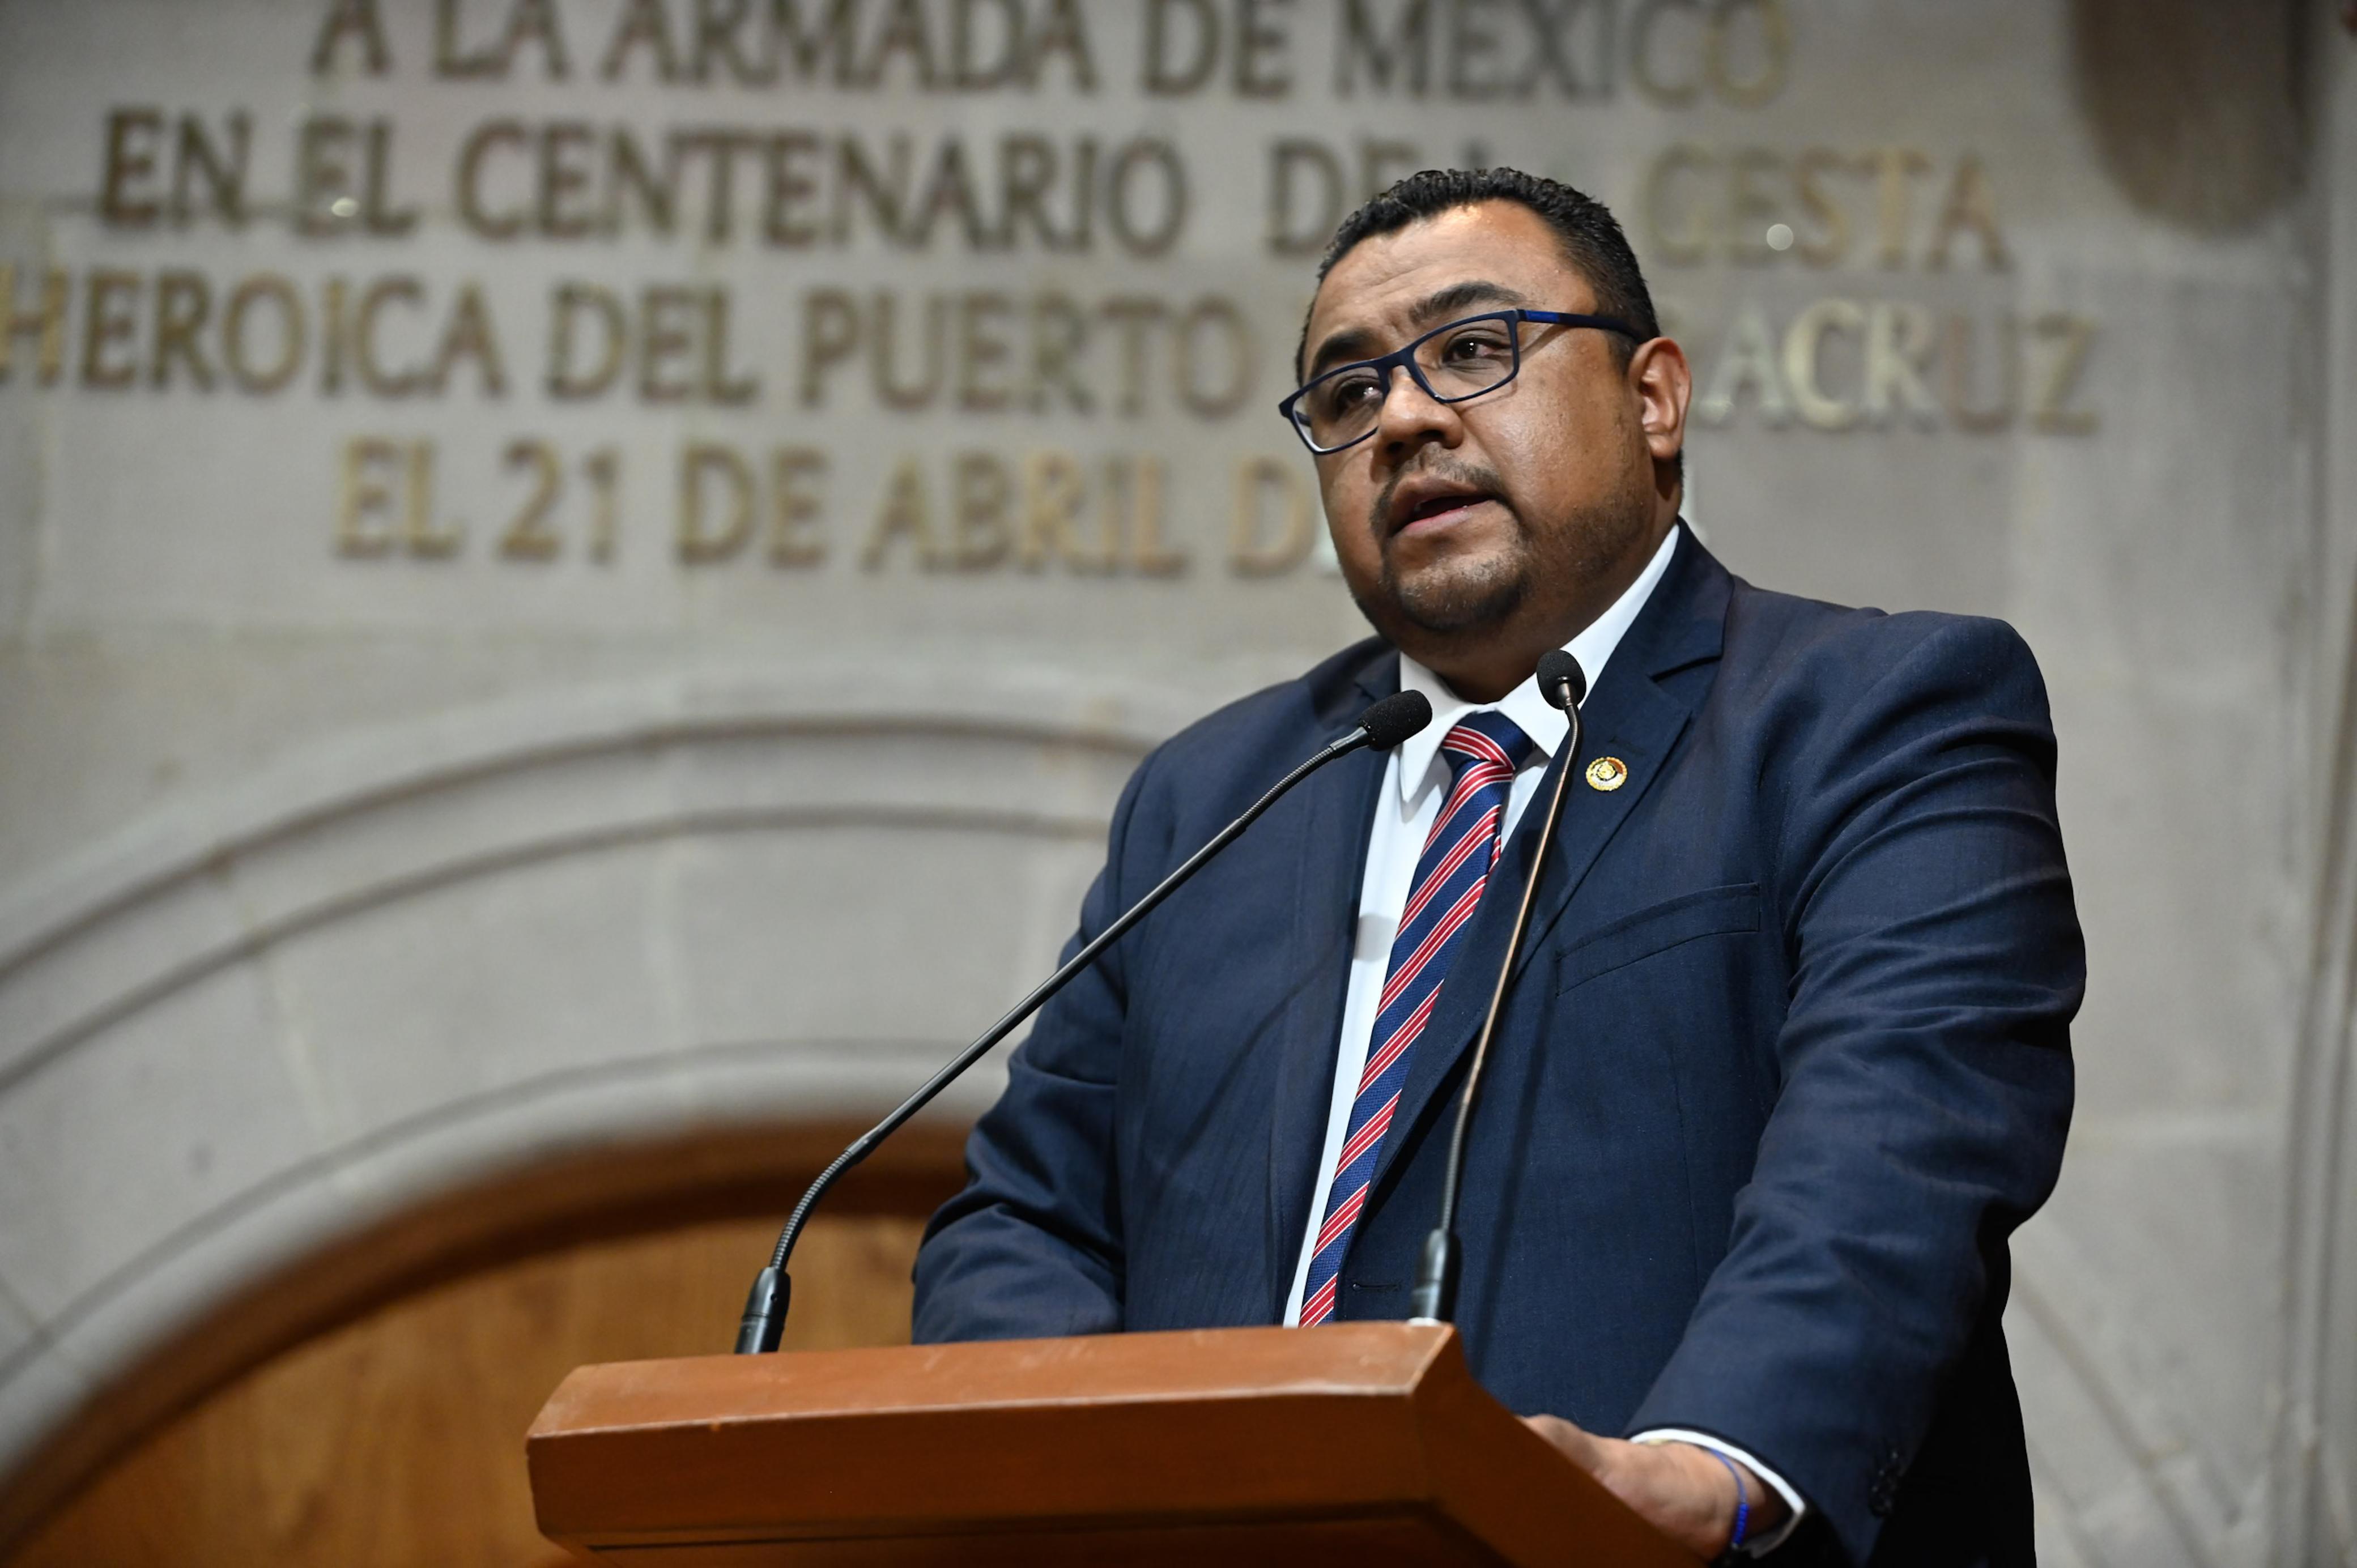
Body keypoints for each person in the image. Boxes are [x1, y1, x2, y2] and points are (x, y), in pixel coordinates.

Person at [911, 168, 2079, 1566]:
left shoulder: (1871, 713)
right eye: (1349, 391)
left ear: (1654, 398)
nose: (1404, 418)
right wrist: (1075, 1479)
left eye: (1473, 350)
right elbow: (1024, 1219)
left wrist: (1707, 1465)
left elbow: (1897, 1146)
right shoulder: (1210, 795)